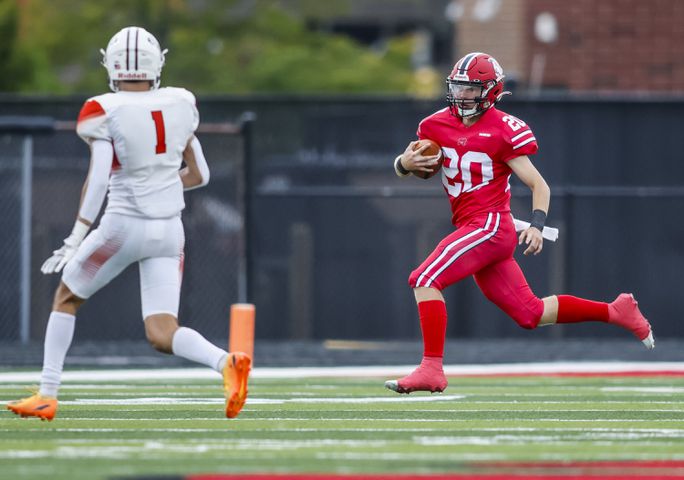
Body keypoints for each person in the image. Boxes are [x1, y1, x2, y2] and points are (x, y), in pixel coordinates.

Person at [7, 27, 250, 420]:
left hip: (123, 224)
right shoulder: (181, 102)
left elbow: (100, 178)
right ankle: (226, 362)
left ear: (111, 66)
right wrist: (160, 185)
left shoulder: (103, 109)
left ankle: (47, 394)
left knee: (66, 297)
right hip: (170, 230)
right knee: (162, 331)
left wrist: (77, 234)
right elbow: (200, 174)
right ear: (158, 65)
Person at [385, 52, 654, 394]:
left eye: (471, 90)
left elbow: (539, 185)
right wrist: (403, 164)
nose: (462, 96)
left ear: (492, 92)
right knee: (531, 313)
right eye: (458, 88)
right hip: (473, 226)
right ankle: (617, 311)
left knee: (424, 278)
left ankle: (431, 369)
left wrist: (537, 226)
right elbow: (421, 167)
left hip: (491, 225)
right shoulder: (434, 124)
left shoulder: (503, 130)